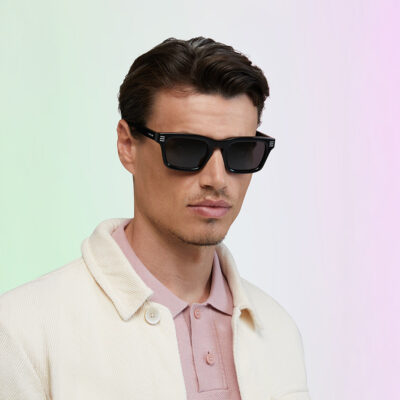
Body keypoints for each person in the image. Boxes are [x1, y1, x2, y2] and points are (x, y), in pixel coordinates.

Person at [0, 37, 311, 400]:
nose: (217, 179)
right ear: (127, 146)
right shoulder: (24, 331)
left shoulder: (278, 330)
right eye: (186, 148)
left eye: (241, 151)